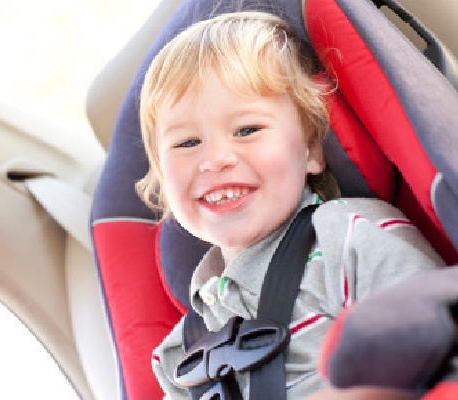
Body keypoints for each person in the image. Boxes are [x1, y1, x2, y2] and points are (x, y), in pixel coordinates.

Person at [135, 11, 445, 400]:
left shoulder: (347, 238)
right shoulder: (182, 352)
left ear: (312, 149)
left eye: (247, 130)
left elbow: (436, 342)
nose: (214, 159)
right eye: (186, 143)